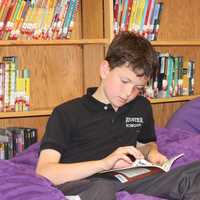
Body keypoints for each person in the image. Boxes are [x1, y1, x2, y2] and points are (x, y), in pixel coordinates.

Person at [36, 31, 200, 200]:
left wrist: (151, 152)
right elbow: (45, 171)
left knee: (195, 172)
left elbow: (145, 143)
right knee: (102, 188)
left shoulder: (141, 106)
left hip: (129, 178)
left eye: (138, 88)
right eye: (124, 81)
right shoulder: (66, 113)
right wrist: (104, 163)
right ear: (105, 69)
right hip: (84, 181)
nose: (128, 93)